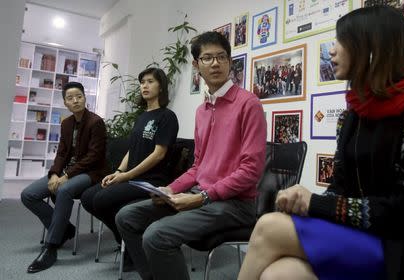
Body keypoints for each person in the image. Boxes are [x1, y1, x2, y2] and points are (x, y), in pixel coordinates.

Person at [238, 6, 404, 280]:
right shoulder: (353, 115)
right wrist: (309, 203)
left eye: (340, 41)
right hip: (367, 235)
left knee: (269, 227)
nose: (332, 51)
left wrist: (313, 203)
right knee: (280, 273)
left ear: (371, 46)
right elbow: (340, 188)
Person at [115, 31, 267, 280]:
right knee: (126, 216)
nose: (215, 63)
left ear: (230, 62)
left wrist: (203, 197)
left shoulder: (248, 104)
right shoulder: (202, 110)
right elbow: (199, 166)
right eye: (207, 58)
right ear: (196, 66)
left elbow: (251, 171)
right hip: (203, 196)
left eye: (221, 57)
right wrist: (170, 190)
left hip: (236, 205)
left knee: (156, 235)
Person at [80, 67, 179, 268]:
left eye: (150, 81)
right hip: (131, 177)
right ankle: (128, 243)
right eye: (142, 82)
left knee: (101, 199)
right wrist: (118, 172)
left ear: (161, 87)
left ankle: (132, 248)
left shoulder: (167, 117)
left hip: (150, 180)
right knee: (87, 197)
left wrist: (126, 177)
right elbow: (131, 150)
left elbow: (158, 154)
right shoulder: (142, 116)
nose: (144, 85)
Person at [21, 82, 109, 273]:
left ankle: (51, 247)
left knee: (64, 189)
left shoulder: (96, 122)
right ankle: (65, 229)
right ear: (65, 103)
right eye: (70, 98)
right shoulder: (66, 123)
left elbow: (94, 157)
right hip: (66, 172)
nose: (75, 100)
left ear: (85, 98)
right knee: (28, 194)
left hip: (91, 173)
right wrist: (54, 174)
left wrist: (66, 176)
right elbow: (61, 153)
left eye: (79, 96)